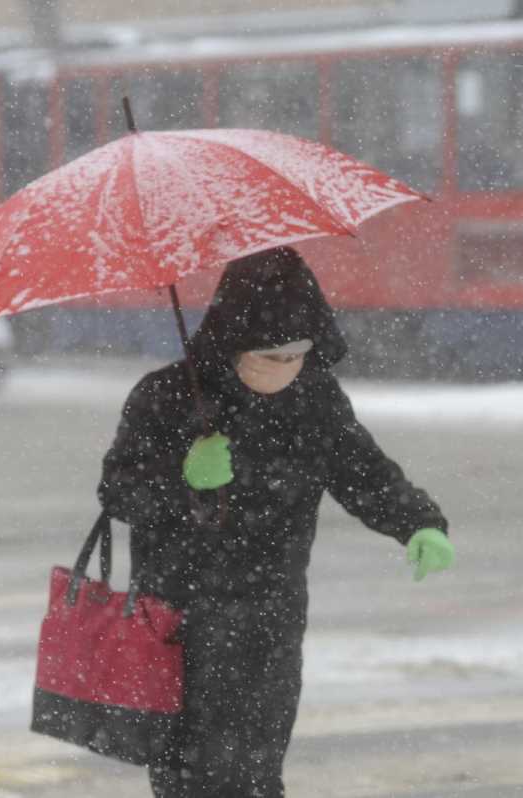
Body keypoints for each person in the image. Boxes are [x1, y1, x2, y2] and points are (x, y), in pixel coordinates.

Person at [98, 246, 454, 798]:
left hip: (271, 609)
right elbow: (119, 492)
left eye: (297, 355)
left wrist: (418, 523)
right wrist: (183, 477)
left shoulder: (313, 397)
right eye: (269, 356)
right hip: (178, 612)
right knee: (189, 773)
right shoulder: (167, 396)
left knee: (258, 768)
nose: (284, 369)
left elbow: (360, 469)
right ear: (230, 343)